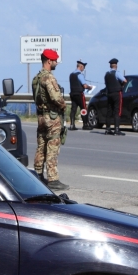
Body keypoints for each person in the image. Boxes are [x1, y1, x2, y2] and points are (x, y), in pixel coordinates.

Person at [32, 49, 68, 190]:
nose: (56, 63)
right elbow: (56, 97)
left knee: (41, 146)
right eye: (55, 61)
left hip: (41, 116)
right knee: (52, 147)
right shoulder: (48, 78)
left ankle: (38, 174)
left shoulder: (36, 78)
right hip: (52, 117)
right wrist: (63, 105)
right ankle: (53, 179)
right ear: (48, 61)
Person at [103, 58, 126, 135]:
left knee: (109, 111)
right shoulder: (117, 73)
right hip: (116, 93)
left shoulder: (106, 74)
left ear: (110, 65)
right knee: (117, 111)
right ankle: (116, 129)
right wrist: (121, 86)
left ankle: (108, 129)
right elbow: (124, 81)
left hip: (109, 93)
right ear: (116, 65)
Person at [67, 60, 90, 130]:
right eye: (83, 67)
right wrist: (90, 87)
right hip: (79, 94)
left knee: (73, 109)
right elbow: (85, 86)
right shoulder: (80, 75)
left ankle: (72, 125)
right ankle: (85, 124)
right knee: (83, 108)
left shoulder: (71, 74)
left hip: (72, 94)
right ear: (81, 66)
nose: (83, 69)